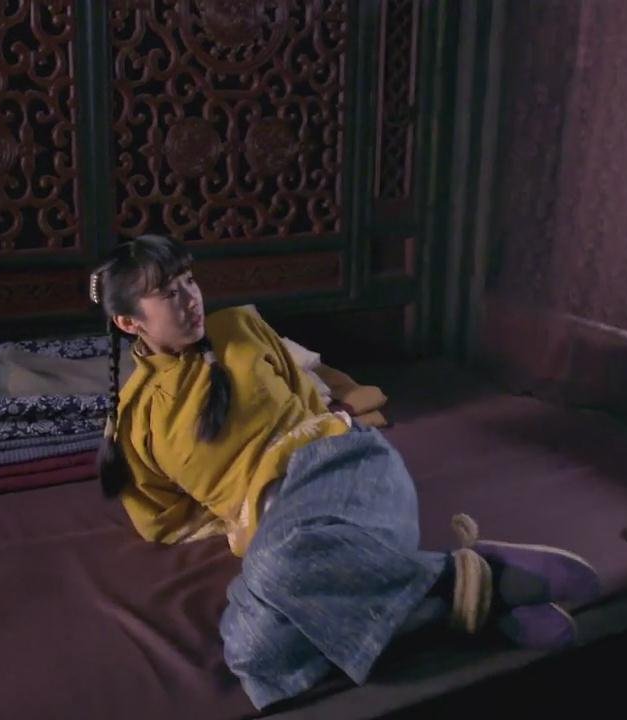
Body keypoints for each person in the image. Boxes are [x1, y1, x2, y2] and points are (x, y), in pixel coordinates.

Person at [89, 235, 601, 710]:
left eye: (189, 281)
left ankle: (456, 583)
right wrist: (242, 516)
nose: (190, 299)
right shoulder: (134, 422)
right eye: (169, 293)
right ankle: (471, 591)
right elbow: (163, 518)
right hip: (289, 540)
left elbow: (314, 405)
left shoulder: (239, 329)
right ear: (130, 323)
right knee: (252, 650)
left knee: (274, 569)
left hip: (344, 469)